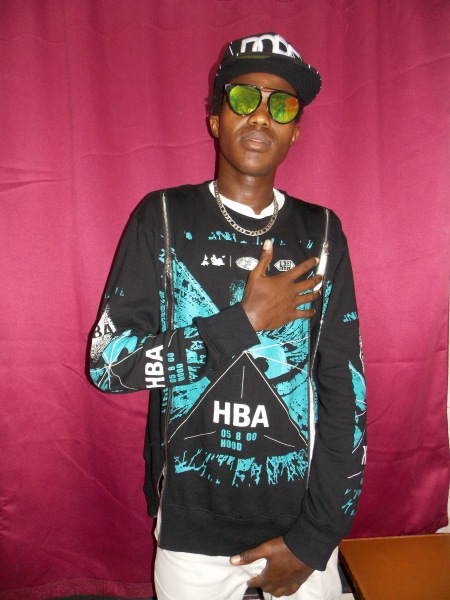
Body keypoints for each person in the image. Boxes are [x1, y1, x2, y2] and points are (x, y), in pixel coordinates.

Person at [89, 32, 366, 600]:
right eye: (244, 98)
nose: (261, 115)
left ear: (295, 130)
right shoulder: (163, 217)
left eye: (281, 104)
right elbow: (108, 366)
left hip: (298, 522)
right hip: (190, 526)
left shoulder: (322, 232)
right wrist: (244, 322)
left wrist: (316, 537)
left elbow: (346, 393)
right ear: (215, 118)